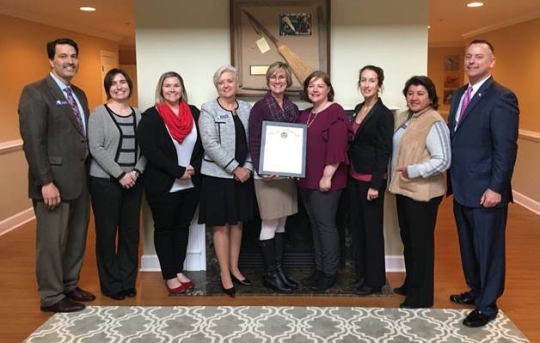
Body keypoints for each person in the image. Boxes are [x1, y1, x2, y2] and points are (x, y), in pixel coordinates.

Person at [18, 38, 95, 312]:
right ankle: (51, 296)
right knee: (51, 242)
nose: (69, 61)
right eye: (63, 56)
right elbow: (33, 142)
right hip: (53, 184)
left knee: (76, 236)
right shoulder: (36, 93)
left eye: (73, 56)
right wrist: (46, 182)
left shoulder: (80, 95)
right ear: (51, 60)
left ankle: (69, 284)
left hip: (80, 179)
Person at [447, 40, 519, 328]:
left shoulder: (502, 97)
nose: (471, 61)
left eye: (479, 57)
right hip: (462, 186)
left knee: (488, 249)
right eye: (468, 56)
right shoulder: (459, 95)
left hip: (486, 190)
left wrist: (496, 188)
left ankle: (487, 305)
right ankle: (475, 290)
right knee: (468, 246)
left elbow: (506, 148)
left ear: (492, 62)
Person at [137, 72, 204, 295]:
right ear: (161, 89)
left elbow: (203, 144)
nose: (172, 89)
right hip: (164, 183)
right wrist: (176, 171)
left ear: (182, 88)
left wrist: (192, 168)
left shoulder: (194, 113)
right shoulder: (151, 116)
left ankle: (178, 269)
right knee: (165, 228)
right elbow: (150, 149)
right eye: (167, 86)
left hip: (191, 182)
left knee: (183, 227)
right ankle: (169, 274)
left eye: (176, 85)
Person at [388, 75, 451, 308]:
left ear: (430, 97)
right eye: (411, 93)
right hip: (404, 190)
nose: (414, 97)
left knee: (421, 244)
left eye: (420, 93)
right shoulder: (406, 117)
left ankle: (421, 296)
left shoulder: (434, 121)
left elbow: (443, 160)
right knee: (409, 240)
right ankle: (411, 283)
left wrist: (413, 170)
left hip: (423, 194)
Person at [88, 68, 146, 300]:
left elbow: (146, 149)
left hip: (134, 181)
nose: (119, 86)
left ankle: (127, 280)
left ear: (129, 85)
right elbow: (96, 149)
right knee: (106, 233)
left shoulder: (139, 115)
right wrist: (120, 174)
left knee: (131, 233)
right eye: (113, 83)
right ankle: (111, 284)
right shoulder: (98, 114)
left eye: (123, 82)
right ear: (108, 88)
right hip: (105, 183)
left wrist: (136, 172)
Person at [199, 65, 257, 297]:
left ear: (237, 84)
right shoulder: (208, 109)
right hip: (218, 177)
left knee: (238, 222)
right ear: (217, 86)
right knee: (221, 225)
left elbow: (254, 140)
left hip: (243, 175)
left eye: (230, 81)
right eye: (221, 82)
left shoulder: (247, 108)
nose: (226, 85)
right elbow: (210, 144)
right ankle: (224, 273)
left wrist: (248, 167)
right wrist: (235, 168)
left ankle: (235, 267)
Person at [248, 62, 300, 294]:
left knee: (282, 221)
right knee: (269, 221)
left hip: (287, 174)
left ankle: (279, 270)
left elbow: (298, 141)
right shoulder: (259, 108)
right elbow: (255, 141)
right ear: (268, 80)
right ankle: (270, 274)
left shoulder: (293, 108)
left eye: (281, 77)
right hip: (267, 175)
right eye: (273, 77)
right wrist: (261, 168)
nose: (277, 80)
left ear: (287, 80)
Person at [297, 70, 349, 292]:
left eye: (320, 85)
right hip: (306, 180)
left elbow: (338, 147)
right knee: (315, 226)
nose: (315, 89)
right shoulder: (306, 114)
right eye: (311, 86)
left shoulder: (335, 112)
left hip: (326, 181)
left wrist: (327, 175)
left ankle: (329, 272)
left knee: (326, 227)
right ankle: (319, 269)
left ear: (328, 89)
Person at [347, 65, 394, 296]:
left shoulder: (383, 114)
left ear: (379, 85)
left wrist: (376, 184)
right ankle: (362, 276)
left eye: (372, 80)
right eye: (363, 80)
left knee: (372, 231)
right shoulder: (358, 108)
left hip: (371, 181)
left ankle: (375, 280)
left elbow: (384, 151)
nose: (367, 84)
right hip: (354, 176)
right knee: (359, 230)